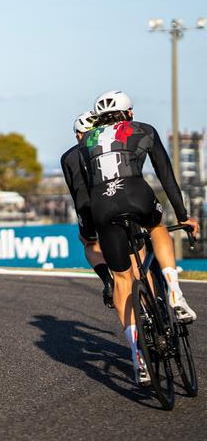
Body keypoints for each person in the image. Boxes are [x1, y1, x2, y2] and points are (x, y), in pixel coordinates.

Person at [77, 90, 200, 385]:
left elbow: (82, 195)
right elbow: (166, 176)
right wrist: (183, 216)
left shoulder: (84, 144)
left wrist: (90, 233)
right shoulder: (142, 129)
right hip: (136, 194)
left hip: (102, 207)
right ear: (128, 113)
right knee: (157, 228)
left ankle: (137, 357)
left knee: (122, 280)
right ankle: (174, 292)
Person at [60, 110, 115, 308]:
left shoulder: (68, 156)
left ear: (80, 134)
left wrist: (83, 224)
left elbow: (76, 192)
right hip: (117, 198)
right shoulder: (112, 145)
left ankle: (107, 280)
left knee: (89, 243)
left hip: (88, 206)